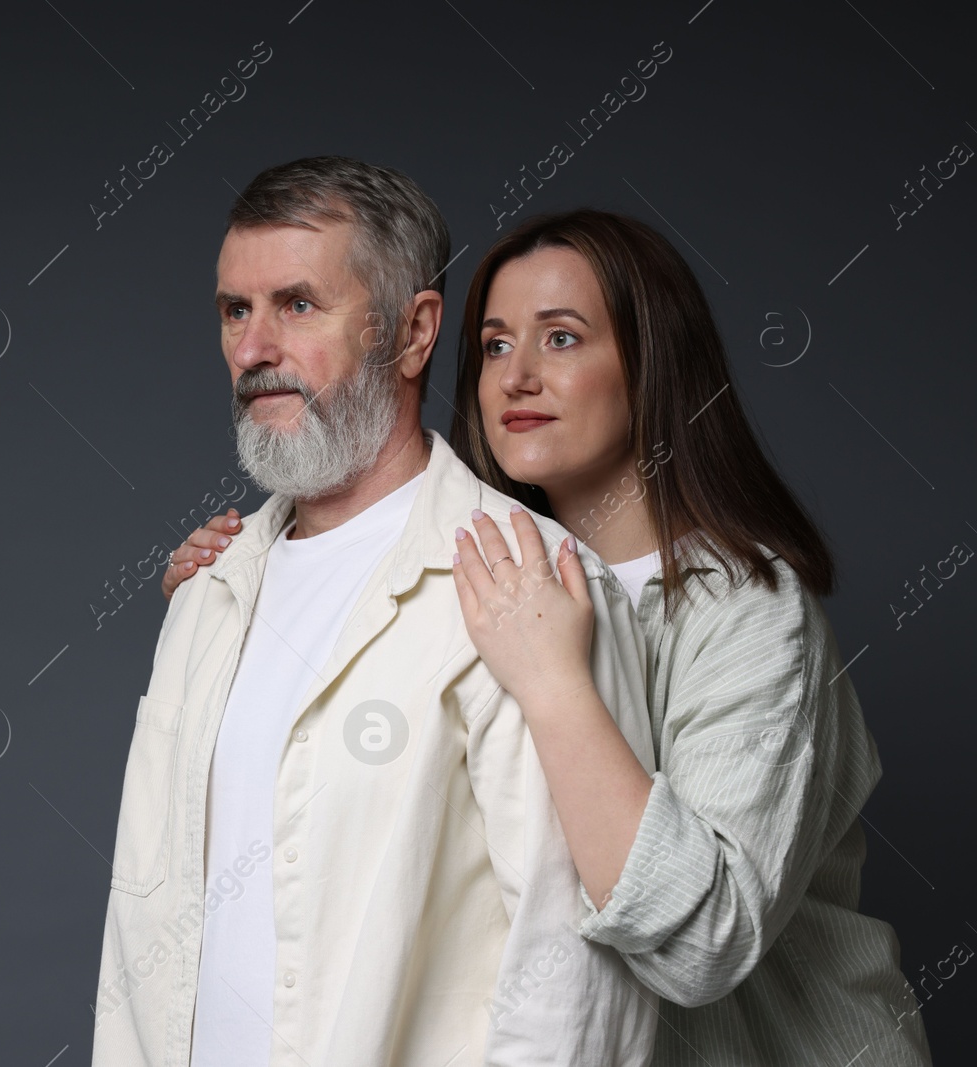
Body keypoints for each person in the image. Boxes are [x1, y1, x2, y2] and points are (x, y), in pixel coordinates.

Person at [163, 208, 934, 1065]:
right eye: (494, 345)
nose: (517, 377)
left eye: (561, 339)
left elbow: (703, 942)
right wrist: (245, 586)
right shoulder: (475, 572)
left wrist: (558, 684)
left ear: (652, 366)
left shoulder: (751, 613)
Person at [90, 156, 661, 1067]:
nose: (252, 349)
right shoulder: (209, 588)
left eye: (297, 305)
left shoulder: (529, 579)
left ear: (410, 331)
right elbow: (142, 927)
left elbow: (577, 983)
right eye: (235, 310)